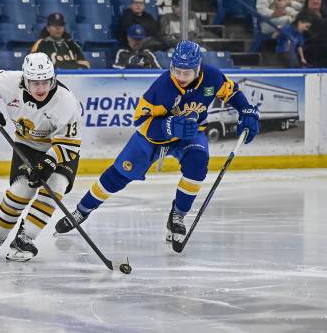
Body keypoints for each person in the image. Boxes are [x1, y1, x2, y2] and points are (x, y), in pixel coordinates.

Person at [53, 40, 260, 253]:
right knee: (118, 175)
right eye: (176, 70)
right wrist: (169, 126)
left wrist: (246, 111)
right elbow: (140, 121)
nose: (180, 76)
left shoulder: (213, 77)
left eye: (186, 72)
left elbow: (232, 92)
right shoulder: (162, 88)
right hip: (152, 139)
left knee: (197, 165)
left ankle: (177, 216)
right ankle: (82, 210)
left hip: (190, 134)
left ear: (198, 68)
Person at [0, 52, 82, 262]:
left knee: (56, 187)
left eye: (45, 82)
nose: (40, 88)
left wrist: (49, 162)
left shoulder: (66, 102)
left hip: (60, 149)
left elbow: (69, 144)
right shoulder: (10, 82)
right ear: (25, 79)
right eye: (35, 82)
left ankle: (25, 238)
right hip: (27, 146)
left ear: (52, 78)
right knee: (22, 189)